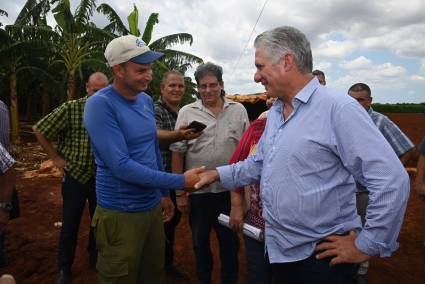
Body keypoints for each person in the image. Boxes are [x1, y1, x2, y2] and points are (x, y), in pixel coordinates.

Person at [193, 26, 410, 284]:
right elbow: (259, 163)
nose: (255, 76)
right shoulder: (277, 112)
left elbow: (391, 179)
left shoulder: (338, 109)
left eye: (260, 66)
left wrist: (367, 244)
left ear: (286, 61)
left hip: (320, 259)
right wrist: (216, 174)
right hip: (281, 252)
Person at [83, 35, 203, 284]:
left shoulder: (145, 101)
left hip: (151, 209)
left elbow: (151, 149)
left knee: (153, 275)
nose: (149, 76)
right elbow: (120, 165)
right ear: (118, 69)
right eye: (140, 70)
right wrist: (179, 181)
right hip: (120, 213)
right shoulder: (100, 105)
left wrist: (162, 194)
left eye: (149, 69)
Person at [171, 62, 249, 284]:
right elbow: (178, 152)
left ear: (221, 85)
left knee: (230, 243)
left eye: (212, 85)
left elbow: (247, 154)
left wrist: (244, 195)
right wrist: (180, 193)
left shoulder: (238, 110)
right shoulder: (187, 112)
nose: (208, 91)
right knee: (199, 242)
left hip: (230, 192)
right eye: (202, 86)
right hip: (198, 193)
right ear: (197, 88)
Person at [33, 72, 109, 284]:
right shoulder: (72, 108)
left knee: (99, 223)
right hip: (75, 176)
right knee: (70, 225)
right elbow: (39, 129)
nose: (99, 95)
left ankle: (95, 261)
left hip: (101, 178)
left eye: (104, 91)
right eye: (95, 91)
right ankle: (64, 268)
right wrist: (55, 158)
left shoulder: (112, 111)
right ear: (87, 88)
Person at [348, 82, 415, 283]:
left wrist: (390, 172)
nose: (356, 104)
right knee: (347, 231)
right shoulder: (343, 120)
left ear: (370, 101)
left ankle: (360, 273)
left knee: (365, 231)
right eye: (352, 99)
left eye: (360, 99)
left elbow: (407, 148)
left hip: (367, 192)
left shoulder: (380, 121)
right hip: (344, 192)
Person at [154, 70, 202, 279]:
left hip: (177, 177)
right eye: (172, 85)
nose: (177, 89)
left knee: (170, 224)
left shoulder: (183, 111)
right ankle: (156, 269)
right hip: (158, 178)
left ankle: (166, 265)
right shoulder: (155, 109)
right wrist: (180, 135)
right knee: (159, 225)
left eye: (180, 85)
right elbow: (154, 136)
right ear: (162, 88)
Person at [229, 115, 270, 284]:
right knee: (258, 273)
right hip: (257, 223)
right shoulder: (258, 127)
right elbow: (237, 167)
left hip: (295, 232)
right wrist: (236, 205)